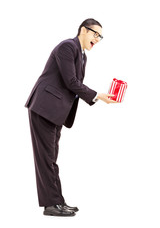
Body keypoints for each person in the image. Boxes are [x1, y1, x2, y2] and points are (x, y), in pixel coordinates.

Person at [25, 18, 117, 217]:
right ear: (83, 30)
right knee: (46, 158)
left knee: (51, 157)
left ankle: (57, 201)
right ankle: (51, 205)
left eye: (100, 36)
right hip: (44, 108)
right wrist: (97, 95)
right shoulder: (68, 46)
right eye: (95, 34)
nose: (97, 39)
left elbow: (72, 83)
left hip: (55, 112)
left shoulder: (82, 56)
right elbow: (71, 82)